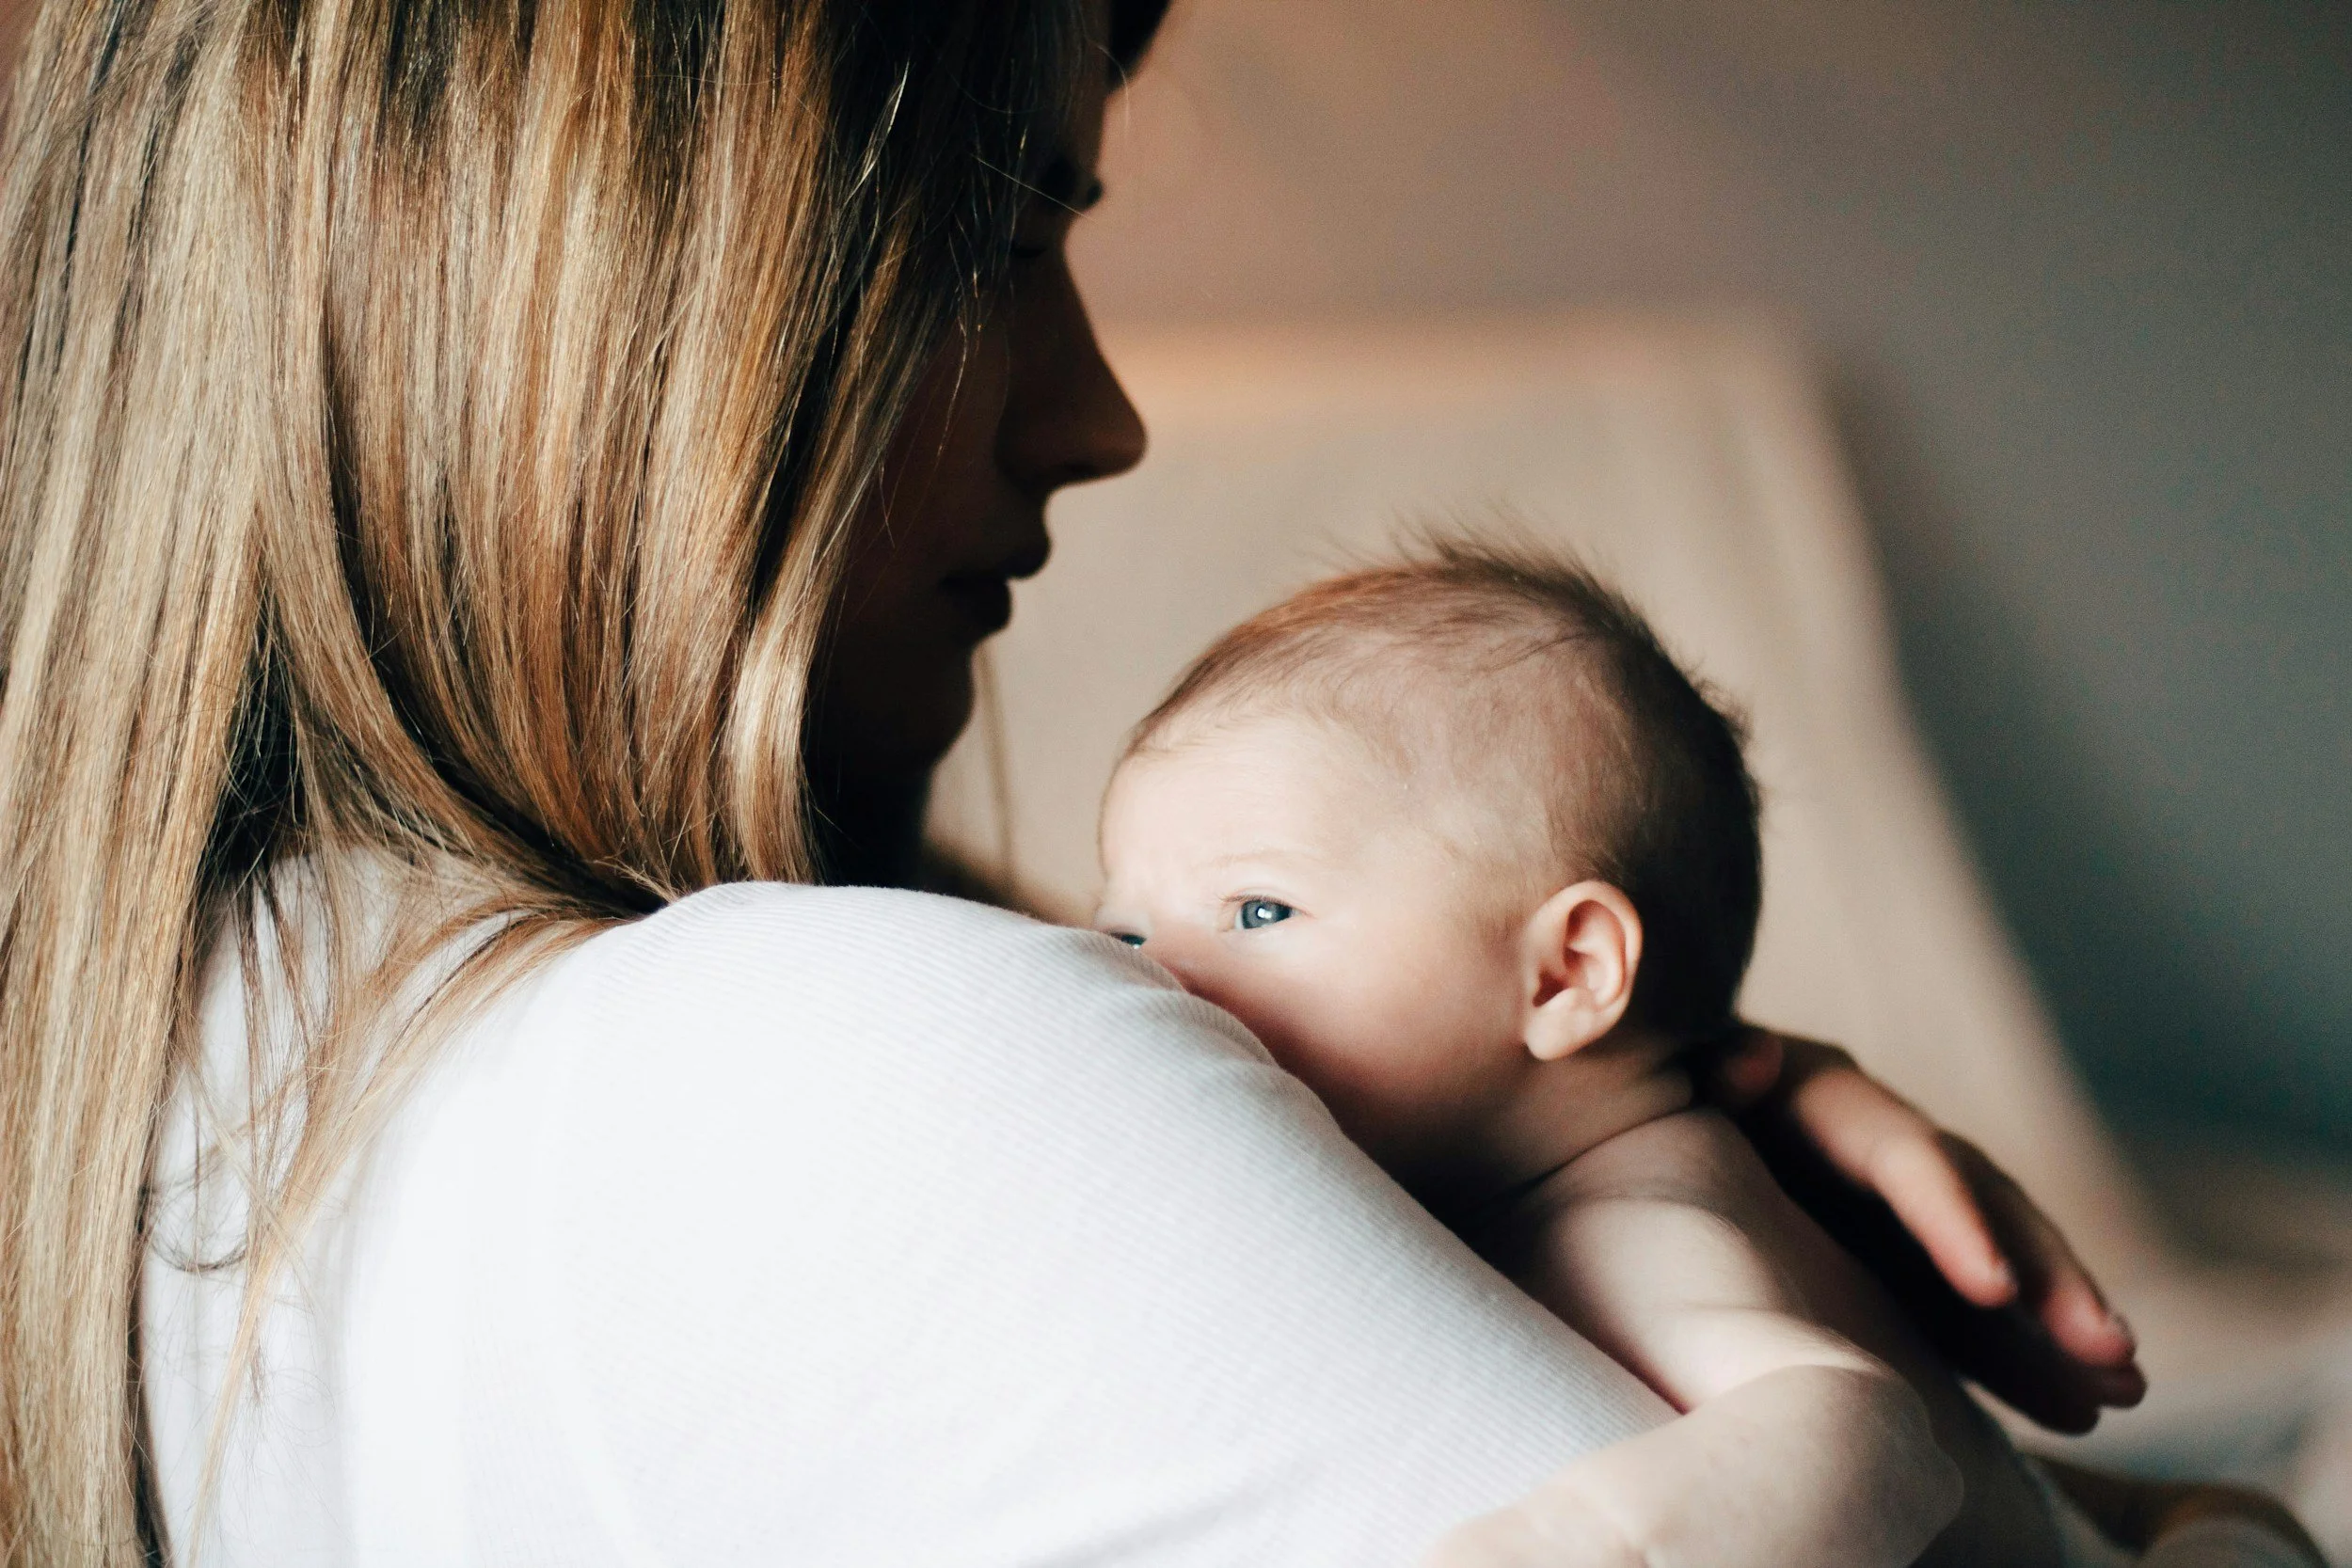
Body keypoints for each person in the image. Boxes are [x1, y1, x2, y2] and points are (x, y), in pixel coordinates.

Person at [0, 0, 2161, 1563]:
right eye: (998, 234)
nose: (1097, 415)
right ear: (585, 286)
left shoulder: (179, 1090)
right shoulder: (828, 1060)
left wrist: (1612, 1108)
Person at [1094, 545, 2324, 1568]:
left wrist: (1582, 1542)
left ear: (1568, 973)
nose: (1157, 973)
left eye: (1259, 912)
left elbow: (1856, 1425)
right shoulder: (1527, 1161)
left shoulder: (1636, 1216)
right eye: (1125, 928)